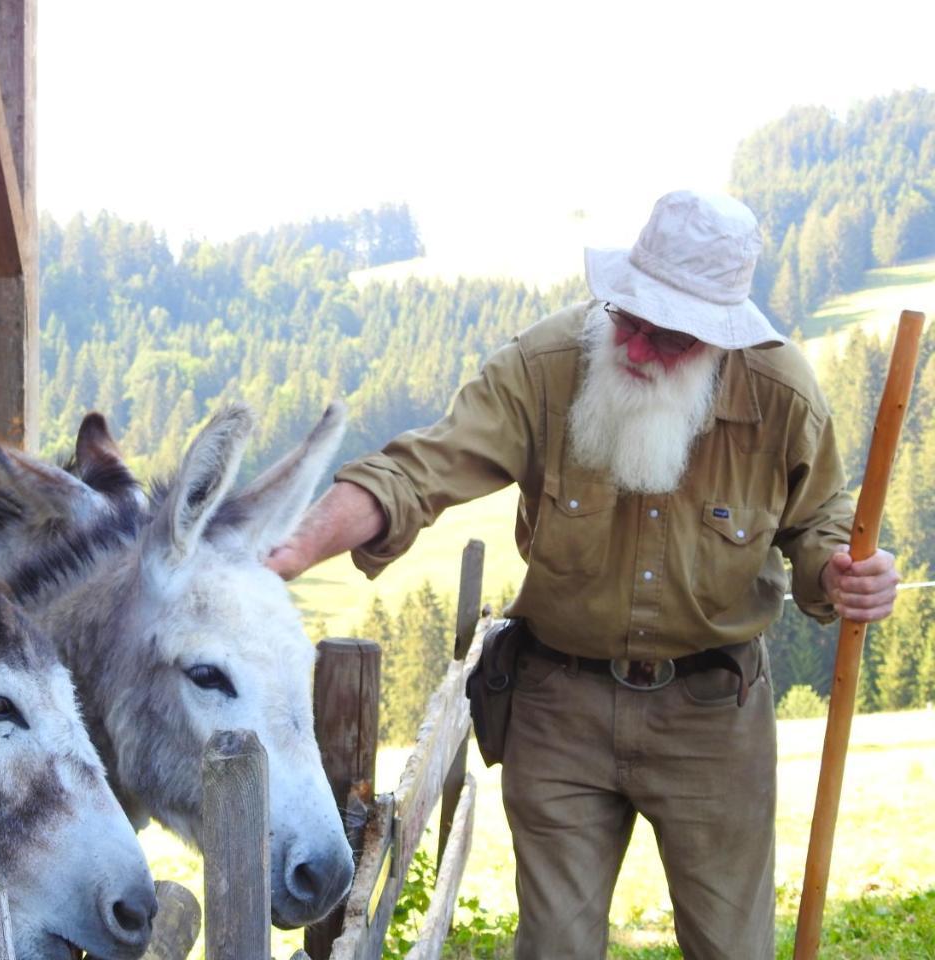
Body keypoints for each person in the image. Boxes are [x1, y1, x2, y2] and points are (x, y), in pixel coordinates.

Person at [265, 189, 900, 959]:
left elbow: (821, 515)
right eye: (629, 318)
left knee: (732, 947)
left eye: (667, 339)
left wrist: (839, 572)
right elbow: (420, 469)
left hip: (713, 717)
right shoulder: (545, 366)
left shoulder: (781, 393)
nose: (635, 348)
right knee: (556, 948)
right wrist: (289, 552)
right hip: (557, 706)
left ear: (718, 337)